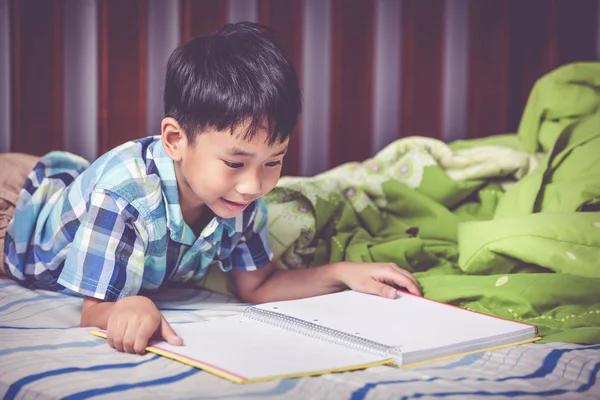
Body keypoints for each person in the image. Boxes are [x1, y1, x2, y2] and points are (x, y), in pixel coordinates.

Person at [0, 22, 420, 355]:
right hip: (17, 211)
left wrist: (342, 273)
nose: (255, 183)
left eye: (274, 160)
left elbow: (257, 286)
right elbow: (94, 312)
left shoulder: (240, 196)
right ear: (176, 140)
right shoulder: (125, 197)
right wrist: (130, 305)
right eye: (235, 162)